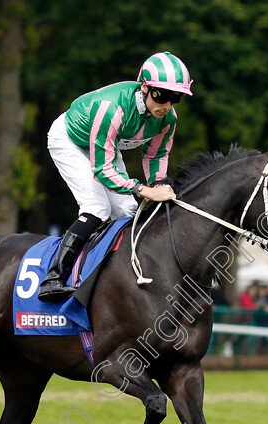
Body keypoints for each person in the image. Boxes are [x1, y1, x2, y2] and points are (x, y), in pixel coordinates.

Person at [38, 51, 193, 301]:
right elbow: (103, 170)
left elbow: (155, 156)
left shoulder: (167, 120)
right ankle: (53, 277)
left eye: (176, 97)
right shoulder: (113, 108)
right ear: (144, 87)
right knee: (96, 208)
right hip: (70, 141)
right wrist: (145, 190)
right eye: (161, 95)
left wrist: (158, 187)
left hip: (105, 146)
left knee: (130, 212)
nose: (167, 105)